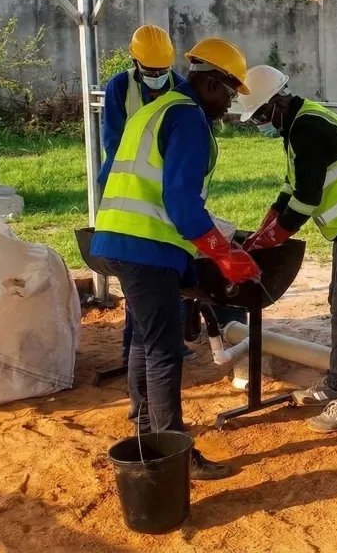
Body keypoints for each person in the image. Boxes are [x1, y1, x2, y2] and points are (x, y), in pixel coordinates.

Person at [91, 38, 261, 480]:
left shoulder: (156, 110)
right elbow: (181, 203)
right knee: (164, 350)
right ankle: (174, 454)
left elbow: (119, 175)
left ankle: (149, 437)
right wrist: (224, 255)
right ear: (208, 83)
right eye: (228, 92)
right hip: (146, 246)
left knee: (148, 341)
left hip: (120, 241)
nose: (229, 104)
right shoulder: (187, 119)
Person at [230, 65, 337, 433]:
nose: (259, 122)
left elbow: (306, 201)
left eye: (260, 114)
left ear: (276, 101)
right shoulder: (295, 125)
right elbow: (291, 187)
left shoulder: (308, 128)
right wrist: (265, 225)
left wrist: (273, 239)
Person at [97, 24, 193, 365]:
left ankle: (163, 341)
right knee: (141, 272)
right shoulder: (119, 87)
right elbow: (113, 140)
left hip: (165, 186)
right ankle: (136, 345)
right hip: (128, 185)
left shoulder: (181, 88)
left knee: (163, 273)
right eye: (149, 71)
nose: (156, 77)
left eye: (161, 71)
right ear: (134, 61)